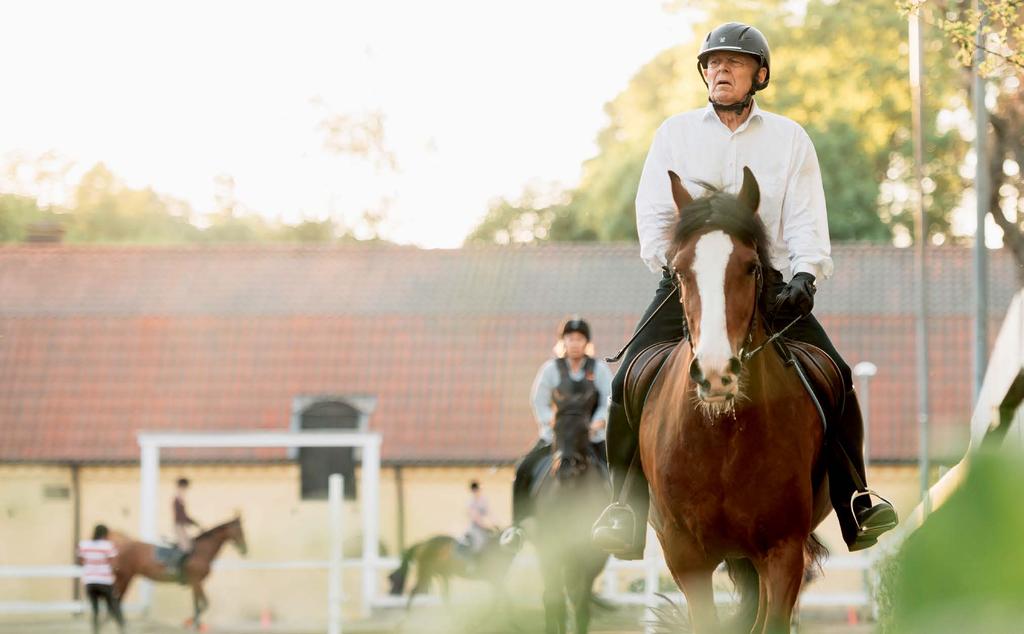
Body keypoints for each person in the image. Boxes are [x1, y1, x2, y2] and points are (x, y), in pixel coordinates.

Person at [590, 22, 898, 560]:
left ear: (759, 74)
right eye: (712, 63)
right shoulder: (674, 133)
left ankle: (856, 502)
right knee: (627, 379)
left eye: (733, 62)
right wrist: (688, 267)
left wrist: (805, 277)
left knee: (838, 376)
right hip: (690, 281)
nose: (720, 70)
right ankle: (623, 510)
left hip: (766, 283)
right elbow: (655, 214)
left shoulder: (789, 138)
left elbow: (805, 218)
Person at [500, 317, 613, 549]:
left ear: (586, 342)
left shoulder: (599, 369)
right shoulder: (551, 369)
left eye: (579, 339)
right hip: (557, 437)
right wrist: (549, 424)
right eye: (570, 339)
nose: (574, 343)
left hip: (590, 437)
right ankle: (517, 527)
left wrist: (598, 422)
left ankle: (615, 523)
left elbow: (608, 400)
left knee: (616, 472)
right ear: (563, 342)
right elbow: (538, 400)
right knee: (523, 468)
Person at [76, 524, 125, 634]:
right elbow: (114, 563)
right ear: (105, 534)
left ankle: (95, 631)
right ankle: (123, 629)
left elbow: (80, 561)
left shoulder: (84, 544)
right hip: (105, 581)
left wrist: (91, 566)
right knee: (114, 605)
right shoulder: (108, 545)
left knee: (95, 609)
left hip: (90, 582)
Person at [464, 480, 493, 553]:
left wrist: (494, 523)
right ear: (472, 490)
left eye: (477, 489)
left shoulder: (483, 500)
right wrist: (484, 526)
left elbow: (489, 513)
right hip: (475, 527)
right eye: (475, 490)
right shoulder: (470, 502)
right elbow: (475, 517)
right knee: (479, 542)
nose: (477, 491)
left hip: (484, 526)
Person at [173, 477, 199, 551]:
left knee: (189, 545)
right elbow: (180, 515)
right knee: (185, 547)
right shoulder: (177, 499)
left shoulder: (180, 499)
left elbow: (184, 515)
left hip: (182, 524)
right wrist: (190, 522)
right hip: (179, 524)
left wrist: (193, 522)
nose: (185, 490)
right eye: (184, 488)